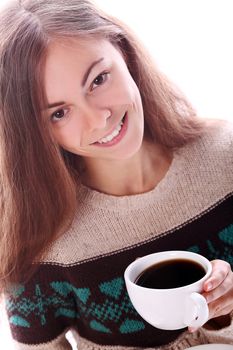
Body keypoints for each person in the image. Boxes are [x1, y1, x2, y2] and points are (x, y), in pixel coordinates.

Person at [0, 0, 233, 349]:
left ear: (124, 51)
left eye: (98, 79)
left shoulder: (225, 159)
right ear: (36, 132)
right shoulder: (42, 244)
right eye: (60, 113)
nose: (98, 118)